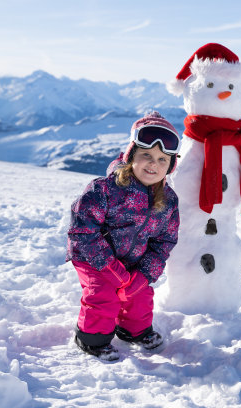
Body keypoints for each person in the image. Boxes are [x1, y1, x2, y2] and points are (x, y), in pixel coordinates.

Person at [66, 111, 180, 361]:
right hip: (93, 258)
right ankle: (91, 339)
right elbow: (82, 230)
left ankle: (133, 331)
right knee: (103, 294)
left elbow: (164, 242)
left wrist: (145, 273)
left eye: (163, 160)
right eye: (146, 156)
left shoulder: (168, 201)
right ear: (131, 157)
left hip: (133, 262)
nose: (154, 164)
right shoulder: (104, 190)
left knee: (140, 294)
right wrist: (109, 266)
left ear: (171, 165)